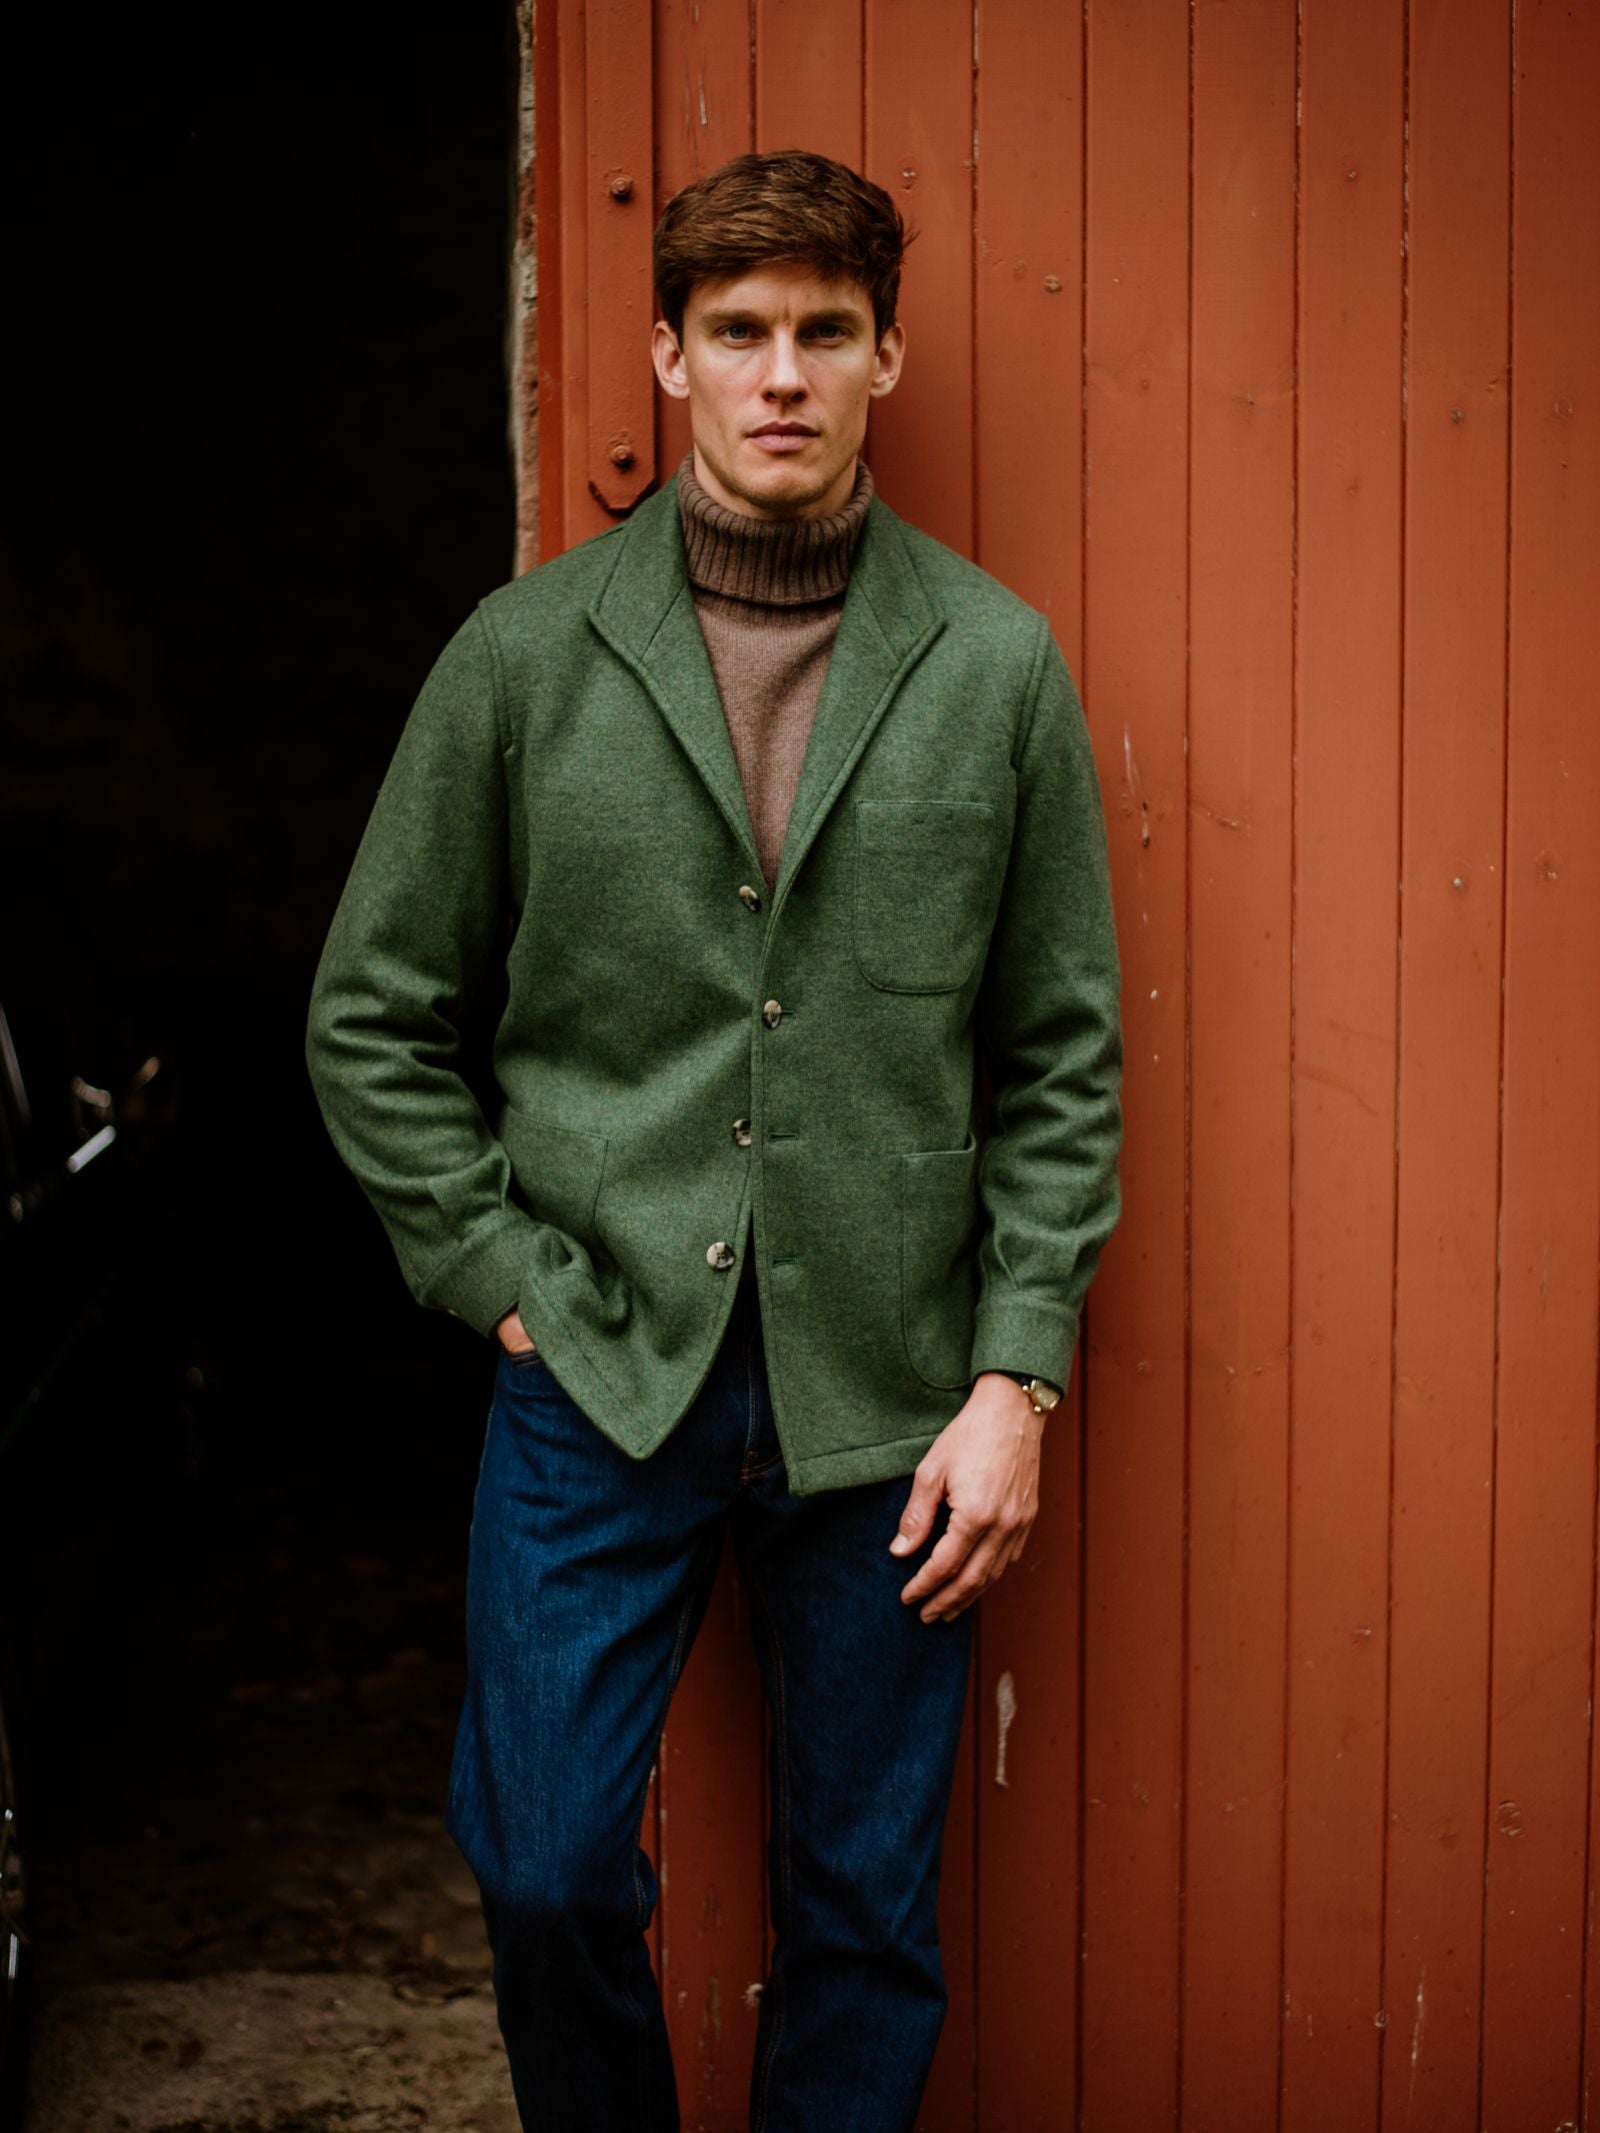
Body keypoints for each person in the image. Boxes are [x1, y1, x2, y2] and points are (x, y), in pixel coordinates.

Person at [304, 148, 1122, 2133]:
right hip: (593, 1366)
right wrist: (498, 1278)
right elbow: (371, 1016)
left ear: (883, 359)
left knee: (862, 1910)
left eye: (820, 334)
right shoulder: (523, 657)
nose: (780, 373)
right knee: (548, 1858)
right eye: (738, 333)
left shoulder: (994, 664)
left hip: (889, 1397)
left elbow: (1060, 1055)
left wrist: (1014, 1371)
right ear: (667, 357)